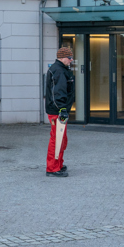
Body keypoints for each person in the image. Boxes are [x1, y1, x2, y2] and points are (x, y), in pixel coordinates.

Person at [45, 47, 76, 178]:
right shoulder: (58, 71)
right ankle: (52, 168)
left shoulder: (61, 69)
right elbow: (58, 92)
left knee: (61, 139)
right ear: (63, 57)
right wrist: (62, 109)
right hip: (57, 111)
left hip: (59, 110)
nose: (71, 60)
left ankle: (58, 164)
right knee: (57, 139)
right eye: (69, 58)